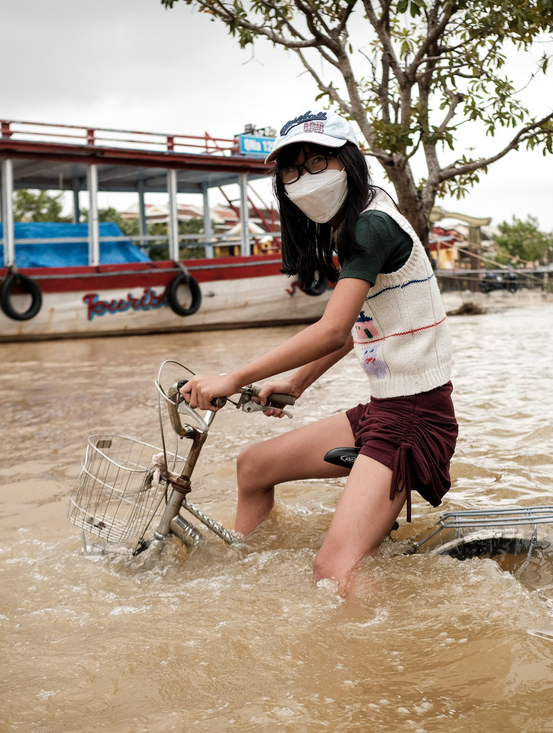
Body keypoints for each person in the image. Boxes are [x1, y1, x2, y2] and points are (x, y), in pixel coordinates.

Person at [180, 109, 457, 595]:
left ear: (346, 163)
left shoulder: (372, 226)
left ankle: (387, 663)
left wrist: (229, 378)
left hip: (415, 416)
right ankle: (246, 578)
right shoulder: (356, 224)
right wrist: (295, 383)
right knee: (254, 465)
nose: (302, 179)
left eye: (316, 163)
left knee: (334, 571)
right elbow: (355, 330)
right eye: (291, 170)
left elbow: (330, 331)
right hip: (384, 409)